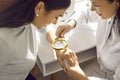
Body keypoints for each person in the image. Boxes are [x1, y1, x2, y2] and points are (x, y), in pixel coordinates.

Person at [0, 0, 76, 80]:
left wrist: (59, 48)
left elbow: (45, 28)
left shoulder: (29, 19)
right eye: (56, 16)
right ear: (39, 7)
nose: (54, 22)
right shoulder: (3, 41)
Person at [54, 0, 120, 80]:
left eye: (96, 5)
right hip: (100, 69)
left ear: (116, 2)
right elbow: (86, 11)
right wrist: (71, 23)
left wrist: (82, 78)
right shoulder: (110, 11)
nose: (92, 9)